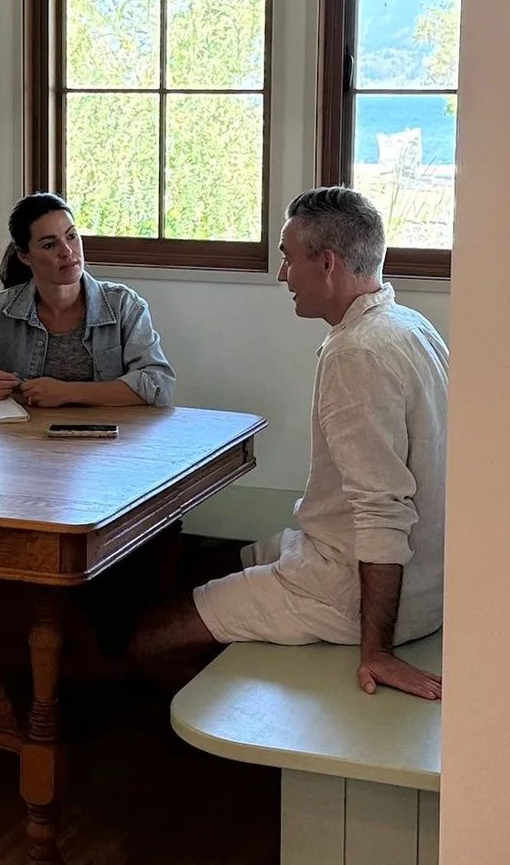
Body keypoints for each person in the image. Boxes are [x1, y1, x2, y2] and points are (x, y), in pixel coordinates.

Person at [131, 187, 446, 699]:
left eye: (287, 258)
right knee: (205, 564)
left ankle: (229, 741)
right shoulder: (411, 326)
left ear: (327, 263)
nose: (282, 275)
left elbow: (381, 511)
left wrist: (377, 652)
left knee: (146, 640)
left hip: (346, 591)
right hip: (421, 584)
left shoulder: (357, 353)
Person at [0, 192, 173, 409]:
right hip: (20, 442)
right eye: (49, 245)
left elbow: (158, 383)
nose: (67, 251)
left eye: (71, 236)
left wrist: (68, 392)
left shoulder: (124, 306)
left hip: (106, 445)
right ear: (25, 256)